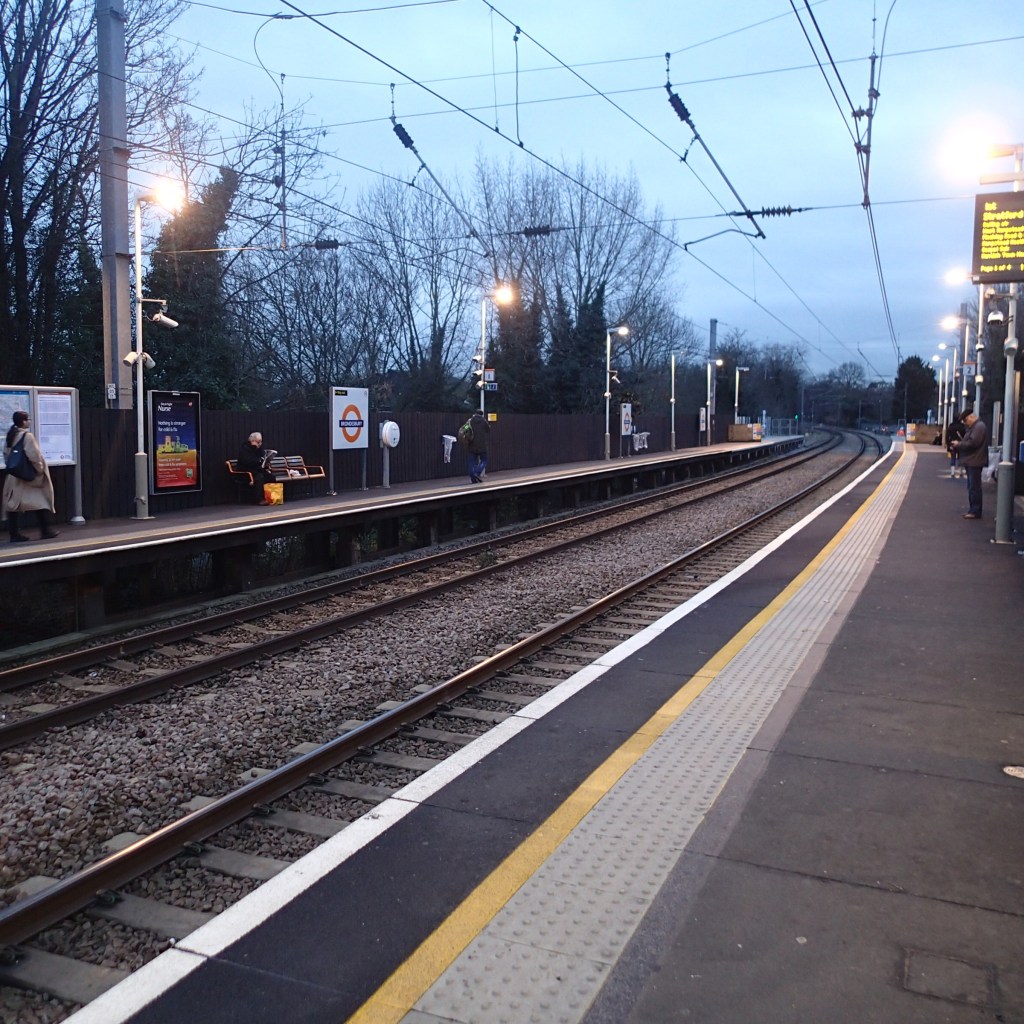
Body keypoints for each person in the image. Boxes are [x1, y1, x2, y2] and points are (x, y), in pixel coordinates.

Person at [3, 411, 59, 542]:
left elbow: (6, 454)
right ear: (23, 421)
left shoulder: (11, 435)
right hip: (28, 476)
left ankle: (14, 534)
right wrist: (39, 470)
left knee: (13, 505)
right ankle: (45, 530)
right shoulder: (27, 436)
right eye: (28, 419)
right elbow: (34, 456)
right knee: (41, 502)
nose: (29, 421)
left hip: (14, 476)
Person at [951, 409, 988, 519]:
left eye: (965, 420)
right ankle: (973, 509)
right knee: (972, 486)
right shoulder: (976, 427)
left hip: (975, 461)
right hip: (973, 460)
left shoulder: (979, 427)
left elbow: (973, 443)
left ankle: (975, 510)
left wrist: (959, 444)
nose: (965, 423)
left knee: (974, 487)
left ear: (971, 417)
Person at [237, 431, 276, 505]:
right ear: (252, 441)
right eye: (258, 442)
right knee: (259, 477)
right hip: (246, 471)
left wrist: (266, 461)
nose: (260, 443)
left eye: (261, 441)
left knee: (270, 476)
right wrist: (258, 460)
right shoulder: (245, 449)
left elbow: (262, 457)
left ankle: (271, 497)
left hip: (256, 469)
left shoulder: (259, 449)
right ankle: (259, 499)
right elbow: (247, 462)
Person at [466, 409, 490, 484]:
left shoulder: (470, 421)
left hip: (471, 444)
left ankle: (473, 479)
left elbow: (465, 429)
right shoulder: (483, 421)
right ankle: (477, 472)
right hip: (482, 445)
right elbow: (488, 429)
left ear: (475, 413)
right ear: (482, 414)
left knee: (471, 462)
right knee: (484, 460)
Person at [946, 409, 968, 478]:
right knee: (960, 457)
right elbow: (965, 436)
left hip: (952, 443)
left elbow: (947, 436)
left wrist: (948, 444)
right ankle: (960, 472)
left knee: (953, 458)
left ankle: (952, 472)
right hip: (960, 444)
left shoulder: (951, 426)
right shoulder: (962, 426)